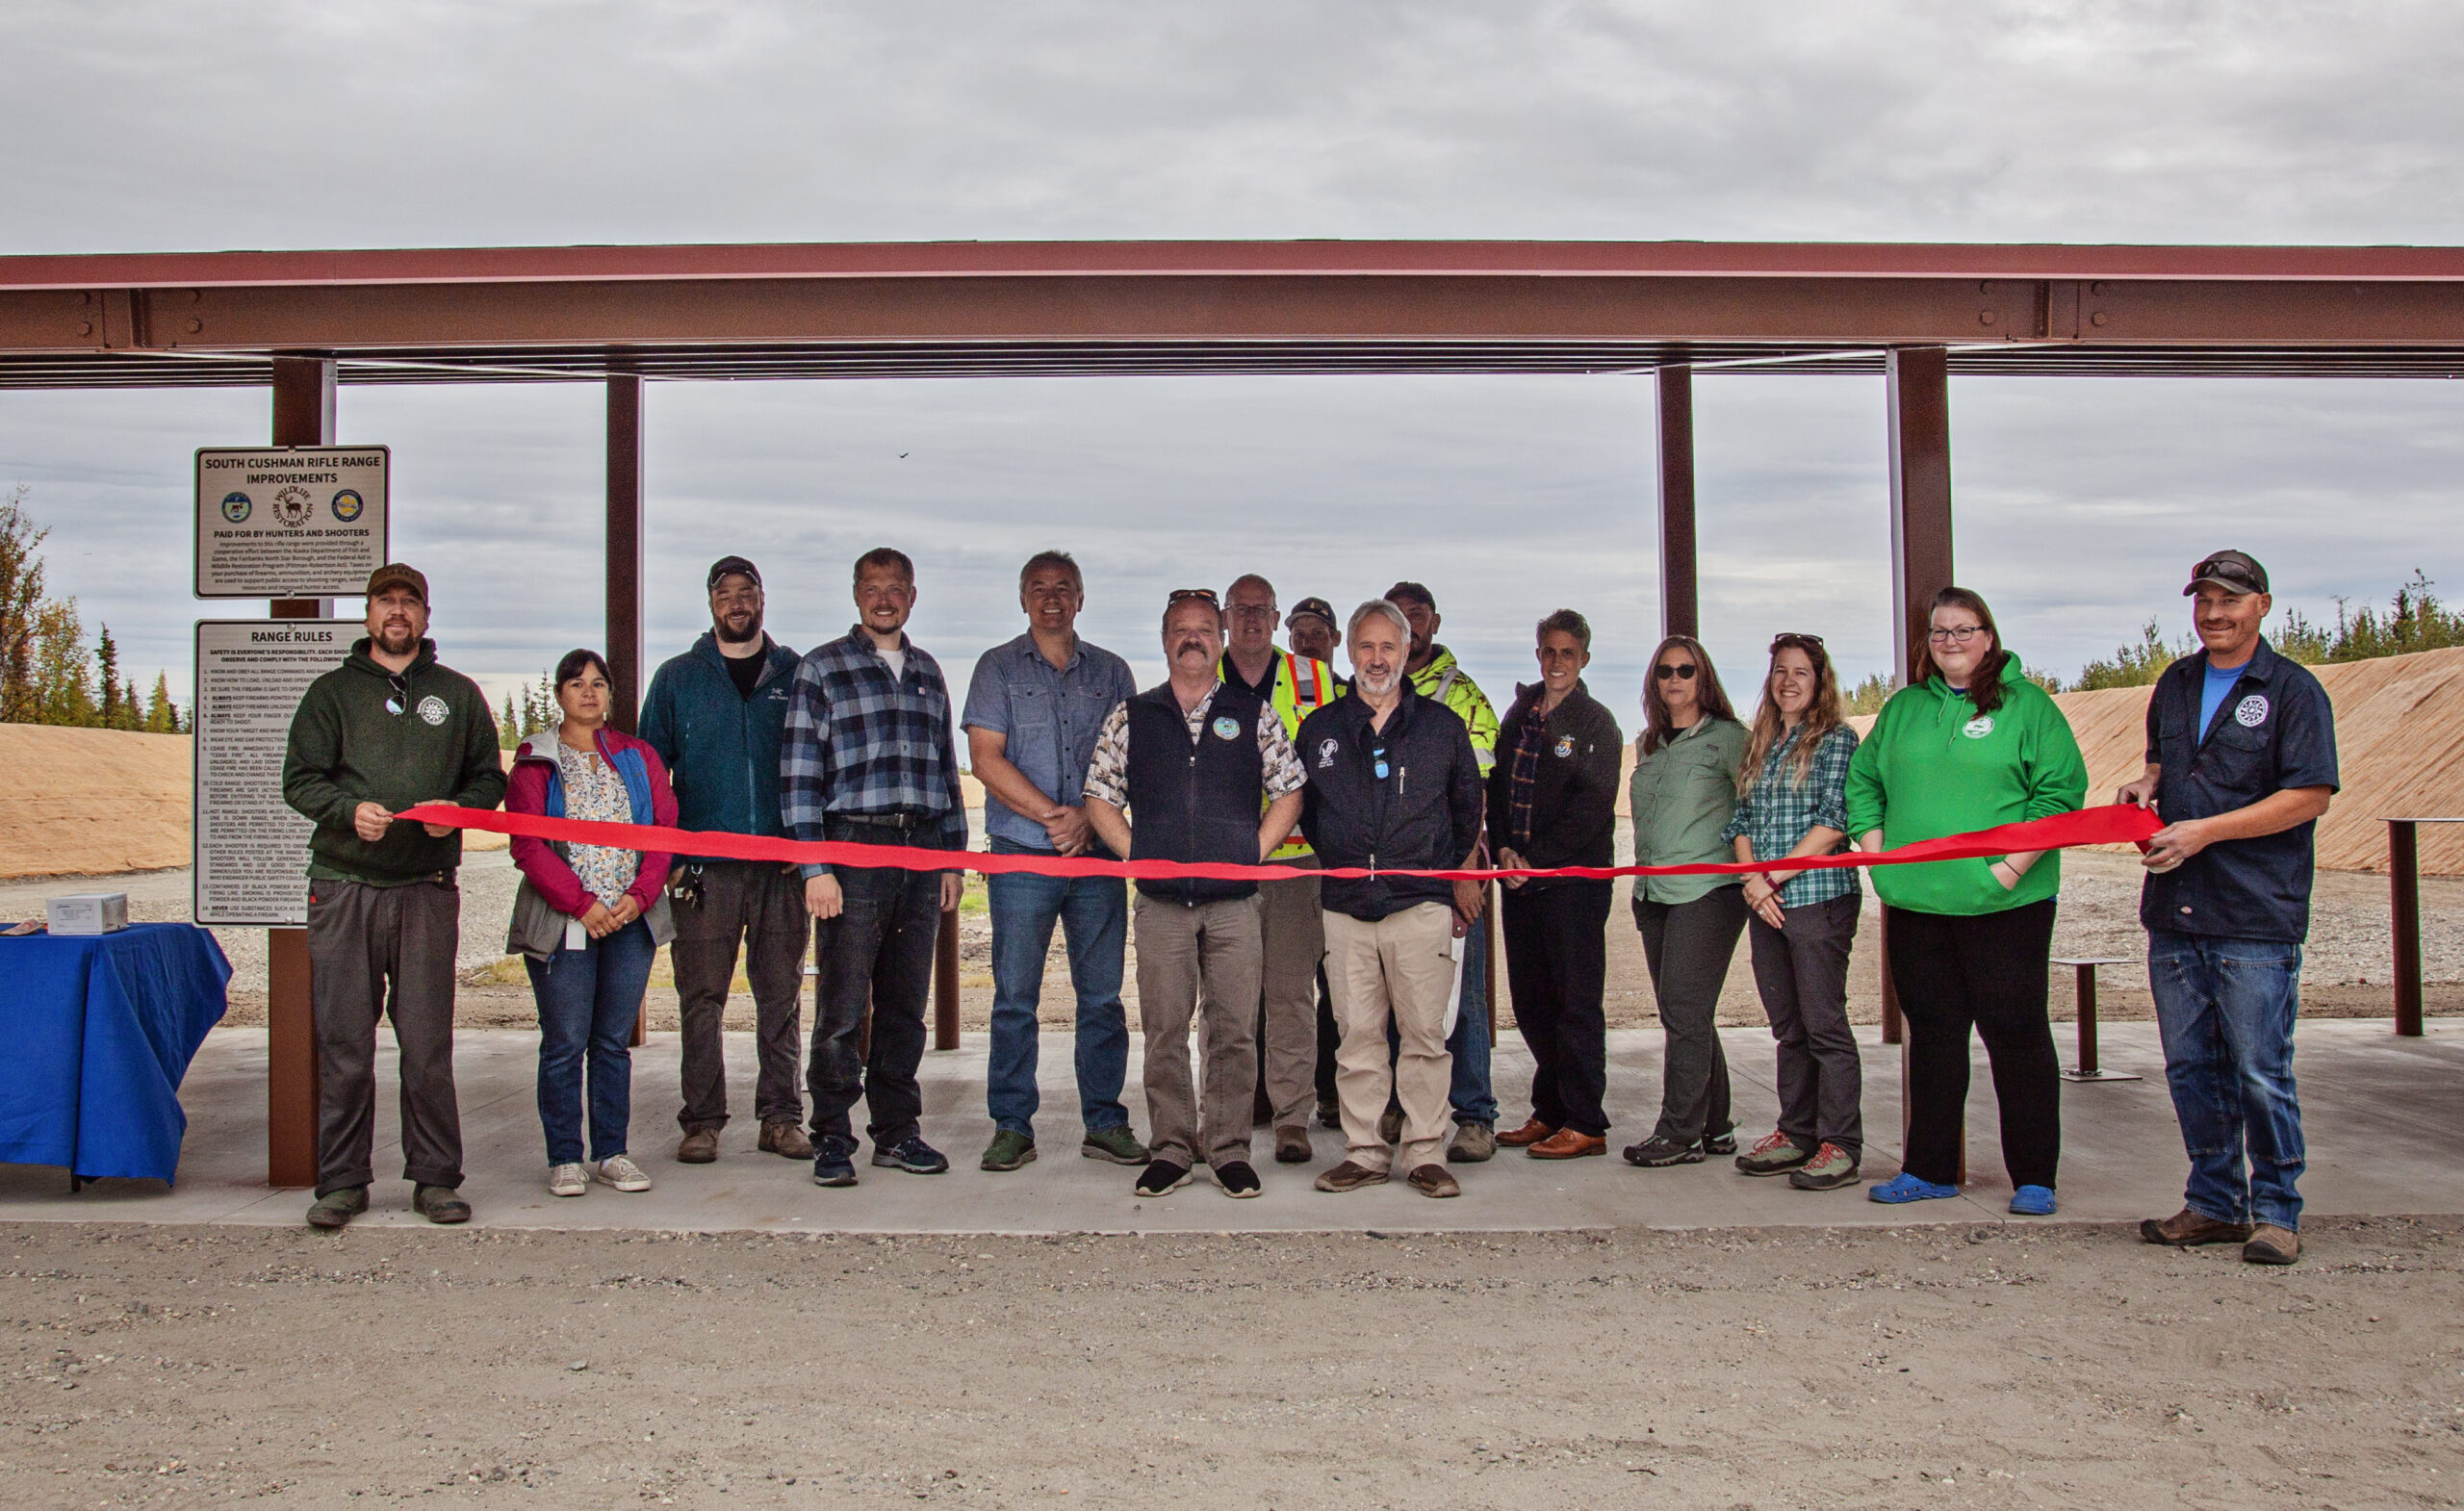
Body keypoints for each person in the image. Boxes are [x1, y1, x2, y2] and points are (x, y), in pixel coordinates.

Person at [2124, 551, 2337, 1267]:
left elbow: (2308, 795)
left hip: (2253, 915)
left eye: (2231, 601)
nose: (2215, 614)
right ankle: (2215, 1202)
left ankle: (2277, 1211)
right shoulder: (2178, 683)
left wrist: (2205, 831)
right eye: (2204, 601)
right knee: (2190, 1066)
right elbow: (2164, 763)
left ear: (2263, 606)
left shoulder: (2293, 691)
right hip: (2176, 911)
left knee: (2259, 1068)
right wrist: (2145, 789)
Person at [1846, 586, 2087, 1215]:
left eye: (1963, 630)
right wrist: (1879, 851)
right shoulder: (1904, 709)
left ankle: (2035, 1176)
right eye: (1939, 632)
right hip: (1919, 906)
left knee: (2017, 1033)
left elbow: (2060, 793)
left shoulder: (2029, 708)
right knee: (1932, 1035)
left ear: (1988, 637)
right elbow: (1863, 780)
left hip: (2005, 908)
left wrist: (2008, 870)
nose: (1950, 642)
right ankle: (1928, 1168)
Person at [281, 563, 506, 1230]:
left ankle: (436, 1177)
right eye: (387, 602)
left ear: (427, 617)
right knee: (346, 1042)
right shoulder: (331, 694)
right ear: (369, 615)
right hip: (345, 886)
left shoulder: (458, 695)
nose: (398, 613)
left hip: (426, 889)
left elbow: (488, 778)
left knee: (427, 1043)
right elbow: (300, 780)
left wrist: (457, 813)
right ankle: (342, 1180)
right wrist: (348, 810)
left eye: (411, 602)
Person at [1083, 588, 1306, 1199]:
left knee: (1233, 1029)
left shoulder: (1253, 712)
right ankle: (1173, 1148)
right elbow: (1099, 796)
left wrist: (1251, 853)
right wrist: (1136, 855)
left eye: (1205, 629)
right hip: (1160, 907)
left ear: (1222, 637)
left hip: (1235, 905)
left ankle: (1229, 1149)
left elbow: (1289, 790)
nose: (1193, 639)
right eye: (1181, 629)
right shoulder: (1133, 715)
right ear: (1163, 641)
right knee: (1163, 1030)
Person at [782, 547, 968, 1187]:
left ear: (912, 596)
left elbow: (946, 768)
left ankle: (897, 1132)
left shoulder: (926, 671)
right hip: (852, 854)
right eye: (872, 587)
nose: (883, 598)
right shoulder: (822, 670)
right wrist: (815, 866)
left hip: (920, 855)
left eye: (896, 588)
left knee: (904, 1005)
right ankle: (832, 1136)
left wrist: (951, 858)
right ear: (855, 594)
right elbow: (800, 775)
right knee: (841, 1008)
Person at [962, 551, 1148, 1173]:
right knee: (1015, 997)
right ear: (1022, 599)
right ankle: (1012, 1125)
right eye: (1039, 588)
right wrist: (1056, 816)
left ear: (1080, 598)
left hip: (1096, 860)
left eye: (1063, 588)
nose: (1051, 598)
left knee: (1101, 998)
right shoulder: (995, 670)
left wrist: (1089, 823)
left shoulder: (1114, 673)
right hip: (1021, 856)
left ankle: (1105, 1121)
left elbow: (1128, 762)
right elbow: (986, 759)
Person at [1301, 600, 1486, 1199]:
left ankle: (1426, 1153)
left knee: (1425, 1038)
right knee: (1356, 1038)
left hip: (1419, 906)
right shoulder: (1322, 729)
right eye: (1366, 647)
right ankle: (1363, 1152)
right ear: (1349, 652)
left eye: (1389, 648)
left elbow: (1467, 810)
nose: (1377, 659)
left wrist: (1439, 872)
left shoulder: (1441, 728)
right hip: (1346, 908)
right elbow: (1305, 813)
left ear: (1407, 653)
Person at [638, 555, 810, 1165]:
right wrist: (673, 857)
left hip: (780, 869)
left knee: (781, 995)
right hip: (704, 871)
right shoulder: (677, 678)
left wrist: (807, 844)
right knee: (701, 996)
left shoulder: (797, 674)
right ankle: (703, 1121)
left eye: (747, 592)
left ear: (763, 599)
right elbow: (649, 775)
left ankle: (782, 1117)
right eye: (725, 594)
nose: (737, 603)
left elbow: (825, 761)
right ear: (711, 603)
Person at [504, 650, 679, 1198]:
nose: (588, 693)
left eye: (598, 683)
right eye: (576, 684)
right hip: (566, 921)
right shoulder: (535, 760)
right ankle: (564, 1158)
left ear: (610, 695)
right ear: (559, 694)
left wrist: (641, 894)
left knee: (610, 1043)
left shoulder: (637, 755)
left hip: (630, 919)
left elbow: (665, 828)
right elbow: (527, 844)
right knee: (564, 1042)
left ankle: (612, 1153)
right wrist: (580, 903)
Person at [1724, 633, 1864, 1191]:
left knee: (1824, 1024)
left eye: (1801, 672)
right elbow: (1739, 821)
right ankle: (1796, 1132)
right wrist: (1751, 880)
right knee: (1788, 1028)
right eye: (1780, 671)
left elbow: (1835, 820)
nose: (1788, 681)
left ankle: (1841, 1144)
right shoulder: (1762, 741)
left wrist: (1771, 878)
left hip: (1816, 899)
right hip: (1767, 902)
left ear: (1819, 680)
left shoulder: (1836, 740)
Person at [1489, 610, 1623, 1160]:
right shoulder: (1520, 713)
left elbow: (1591, 808)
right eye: (1549, 651)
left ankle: (1586, 1121)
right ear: (1538, 654)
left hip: (1571, 883)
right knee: (1532, 1003)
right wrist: (1502, 848)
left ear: (1584, 658)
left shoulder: (1597, 723)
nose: (1557, 662)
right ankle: (1551, 1111)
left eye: (1568, 653)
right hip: (1519, 880)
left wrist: (1535, 859)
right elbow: (1496, 783)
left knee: (1575, 1005)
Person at [1220, 574, 1341, 1165]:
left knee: (1293, 995)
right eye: (1239, 609)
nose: (1250, 620)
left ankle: (1292, 1117)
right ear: (1224, 617)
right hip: (1224, 868)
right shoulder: (1199, 676)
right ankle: (1229, 1116)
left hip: (1297, 862)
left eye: (1260, 610)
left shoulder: (1314, 677)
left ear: (1275, 618)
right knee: (1227, 999)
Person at [1622, 634, 1751, 1167]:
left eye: (1686, 671)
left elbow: (1753, 809)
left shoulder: (1730, 739)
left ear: (1705, 679)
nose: (1674, 680)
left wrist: (1759, 877)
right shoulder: (1650, 744)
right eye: (1664, 672)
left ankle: (1679, 1133)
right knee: (1689, 1013)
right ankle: (1716, 1127)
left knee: (1683, 1012)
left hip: (1708, 891)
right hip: (1653, 892)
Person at [1382, 580, 1500, 1161]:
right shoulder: (1373, 692)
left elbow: (1473, 795)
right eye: (1398, 618)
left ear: (1435, 623)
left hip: (1452, 874)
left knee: (1462, 998)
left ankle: (1475, 1115)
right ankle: (1405, 1106)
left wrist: (1466, 871)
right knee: (1399, 1000)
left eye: (1419, 616)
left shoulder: (1463, 695)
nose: (1410, 626)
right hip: (1391, 877)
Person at [1289, 594, 1356, 1132]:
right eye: (1299, 633)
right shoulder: (1274, 691)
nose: (1306, 642)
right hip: (1283, 859)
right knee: (1279, 986)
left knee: (1339, 985)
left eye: (1317, 633)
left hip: (1338, 860)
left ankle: (1333, 1092)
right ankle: (1276, 1095)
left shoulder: (1353, 697)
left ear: (1335, 642)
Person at [1284, 596, 1346, 672]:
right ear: (1290, 642)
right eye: (1299, 635)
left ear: (1336, 638)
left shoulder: (1357, 683)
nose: (1307, 642)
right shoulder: (1273, 683)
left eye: (1317, 633)